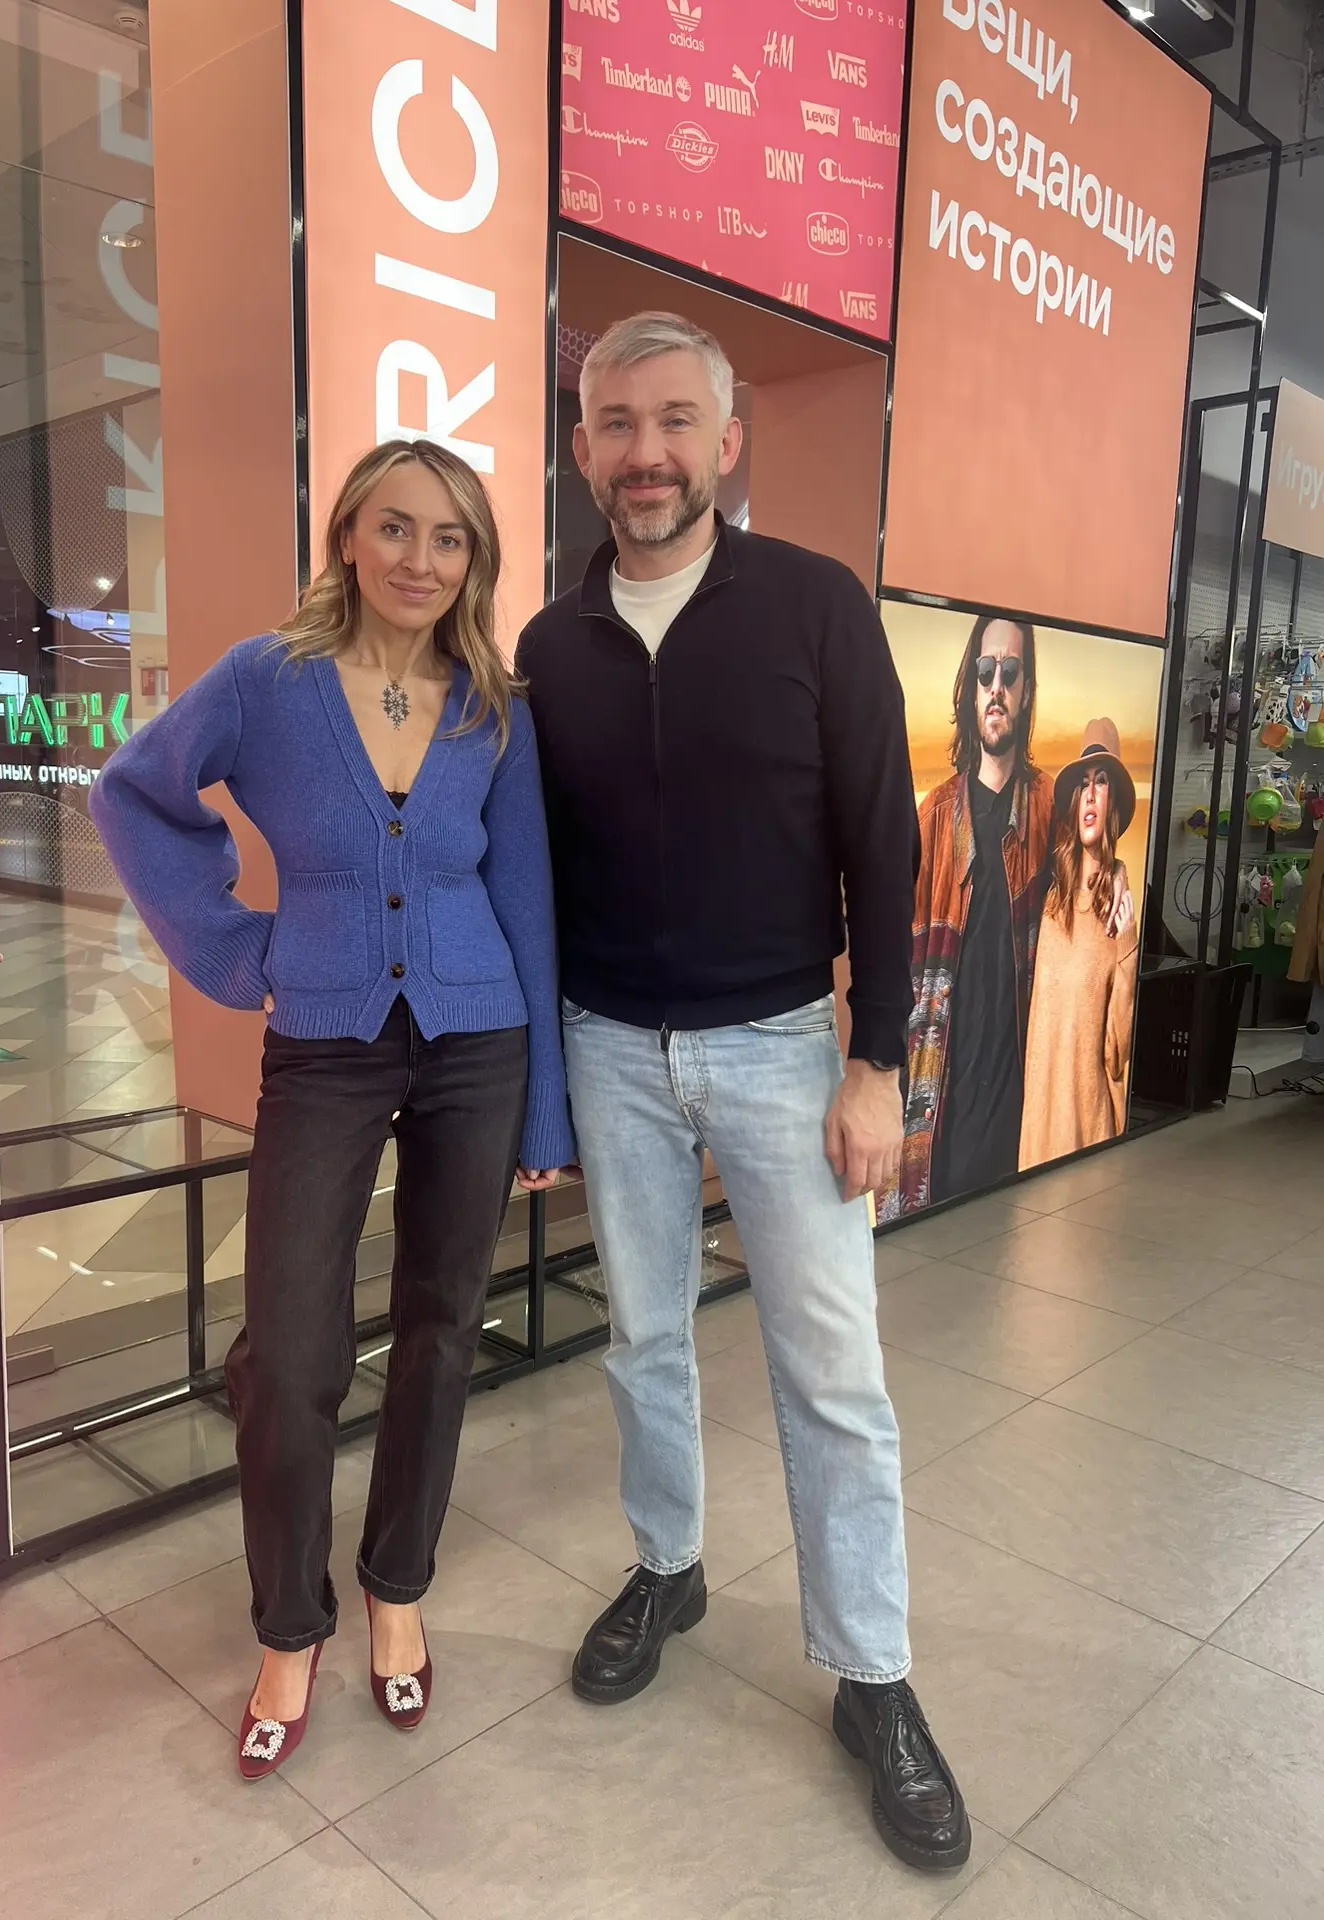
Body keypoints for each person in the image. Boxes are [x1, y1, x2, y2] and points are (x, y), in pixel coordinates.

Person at [517, 312, 971, 1873]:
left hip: (785, 1045)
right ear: (584, 450)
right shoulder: (551, 647)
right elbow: (536, 878)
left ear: (726, 440)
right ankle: (670, 1565)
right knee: (643, 1337)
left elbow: (882, 836)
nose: (645, 453)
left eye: (674, 422)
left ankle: (873, 1673)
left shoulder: (814, 604)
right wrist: (540, 1085)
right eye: (615, 424)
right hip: (608, 1046)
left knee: (832, 1373)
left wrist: (877, 1062)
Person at [90, 440, 573, 1779]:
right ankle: (289, 1625)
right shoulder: (269, 680)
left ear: (475, 561)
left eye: (451, 538)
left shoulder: (494, 707)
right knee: (291, 1350)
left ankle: (396, 1589)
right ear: (348, 536)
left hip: (479, 1038)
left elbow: (527, 898)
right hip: (324, 1044)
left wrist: (545, 1114)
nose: (422, 560)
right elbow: (133, 794)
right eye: (397, 528)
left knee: (441, 1326)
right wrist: (238, 947)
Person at [883, 616, 1054, 1218]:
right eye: (986, 672)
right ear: (972, 689)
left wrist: (1113, 879)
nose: (996, 686)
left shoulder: (1050, 809)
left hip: (1017, 1108)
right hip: (939, 1102)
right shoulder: (933, 819)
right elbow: (891, 956)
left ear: (1026, 691)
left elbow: (1091, 871)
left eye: (1010, 671)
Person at [1019, 720, 1139, 1168]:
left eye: (1101, 782)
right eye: (1083, 784)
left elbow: (1117, 1052)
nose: (1089, 794)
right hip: (1038, 1125)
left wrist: (1127, 952)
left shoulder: (1119, 915)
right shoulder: (1050, 901)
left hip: (1087, 1130)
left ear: (1114, 802)